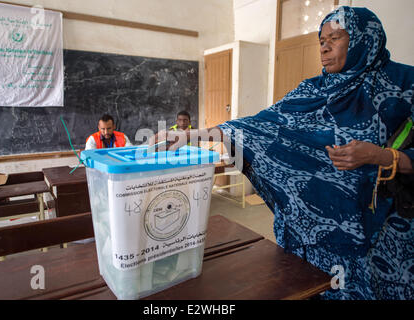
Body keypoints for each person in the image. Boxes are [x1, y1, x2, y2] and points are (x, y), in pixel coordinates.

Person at [151, 7, 413, 300]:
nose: (324, 47)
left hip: (386, 228)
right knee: (316, 288)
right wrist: (189, 136)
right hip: (318, 230)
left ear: (366, 39)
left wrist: (382, 157)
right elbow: (259, 127)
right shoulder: (312, 90)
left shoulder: (404, 85)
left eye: (336, 38)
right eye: (321, 40)